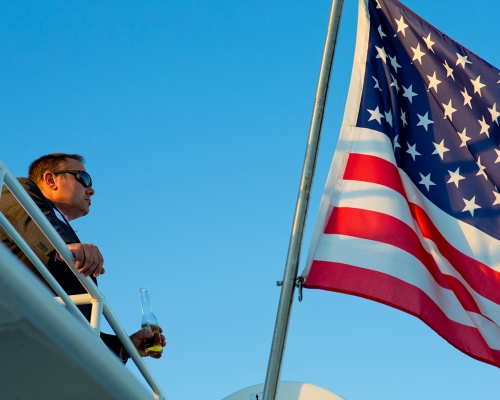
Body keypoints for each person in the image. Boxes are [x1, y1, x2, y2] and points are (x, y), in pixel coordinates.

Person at [0, 153, 166, 361]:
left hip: (51, 346)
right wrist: (64, 247)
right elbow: (22, 212)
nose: (91, 189)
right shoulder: (21, 193)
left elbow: (75, 319)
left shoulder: (61, 231)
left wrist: (125, 348)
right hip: (19, 331)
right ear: (51, 180)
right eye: (83, 179)